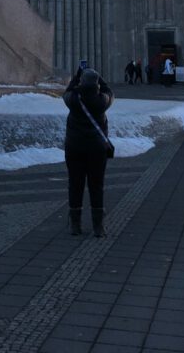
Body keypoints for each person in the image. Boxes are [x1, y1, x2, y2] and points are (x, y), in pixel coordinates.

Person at [63, 65, 114, 238]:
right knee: (96, 185)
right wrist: (99, 78)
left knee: (75, 184)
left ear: (81, 83)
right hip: (96, 150)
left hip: (74, 148)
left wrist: (77, 76)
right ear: (97, 84)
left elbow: (67, 91)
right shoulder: (102, 102)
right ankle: (98, 226)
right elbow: (109, 92)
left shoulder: (73, 100)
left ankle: (75, 225)